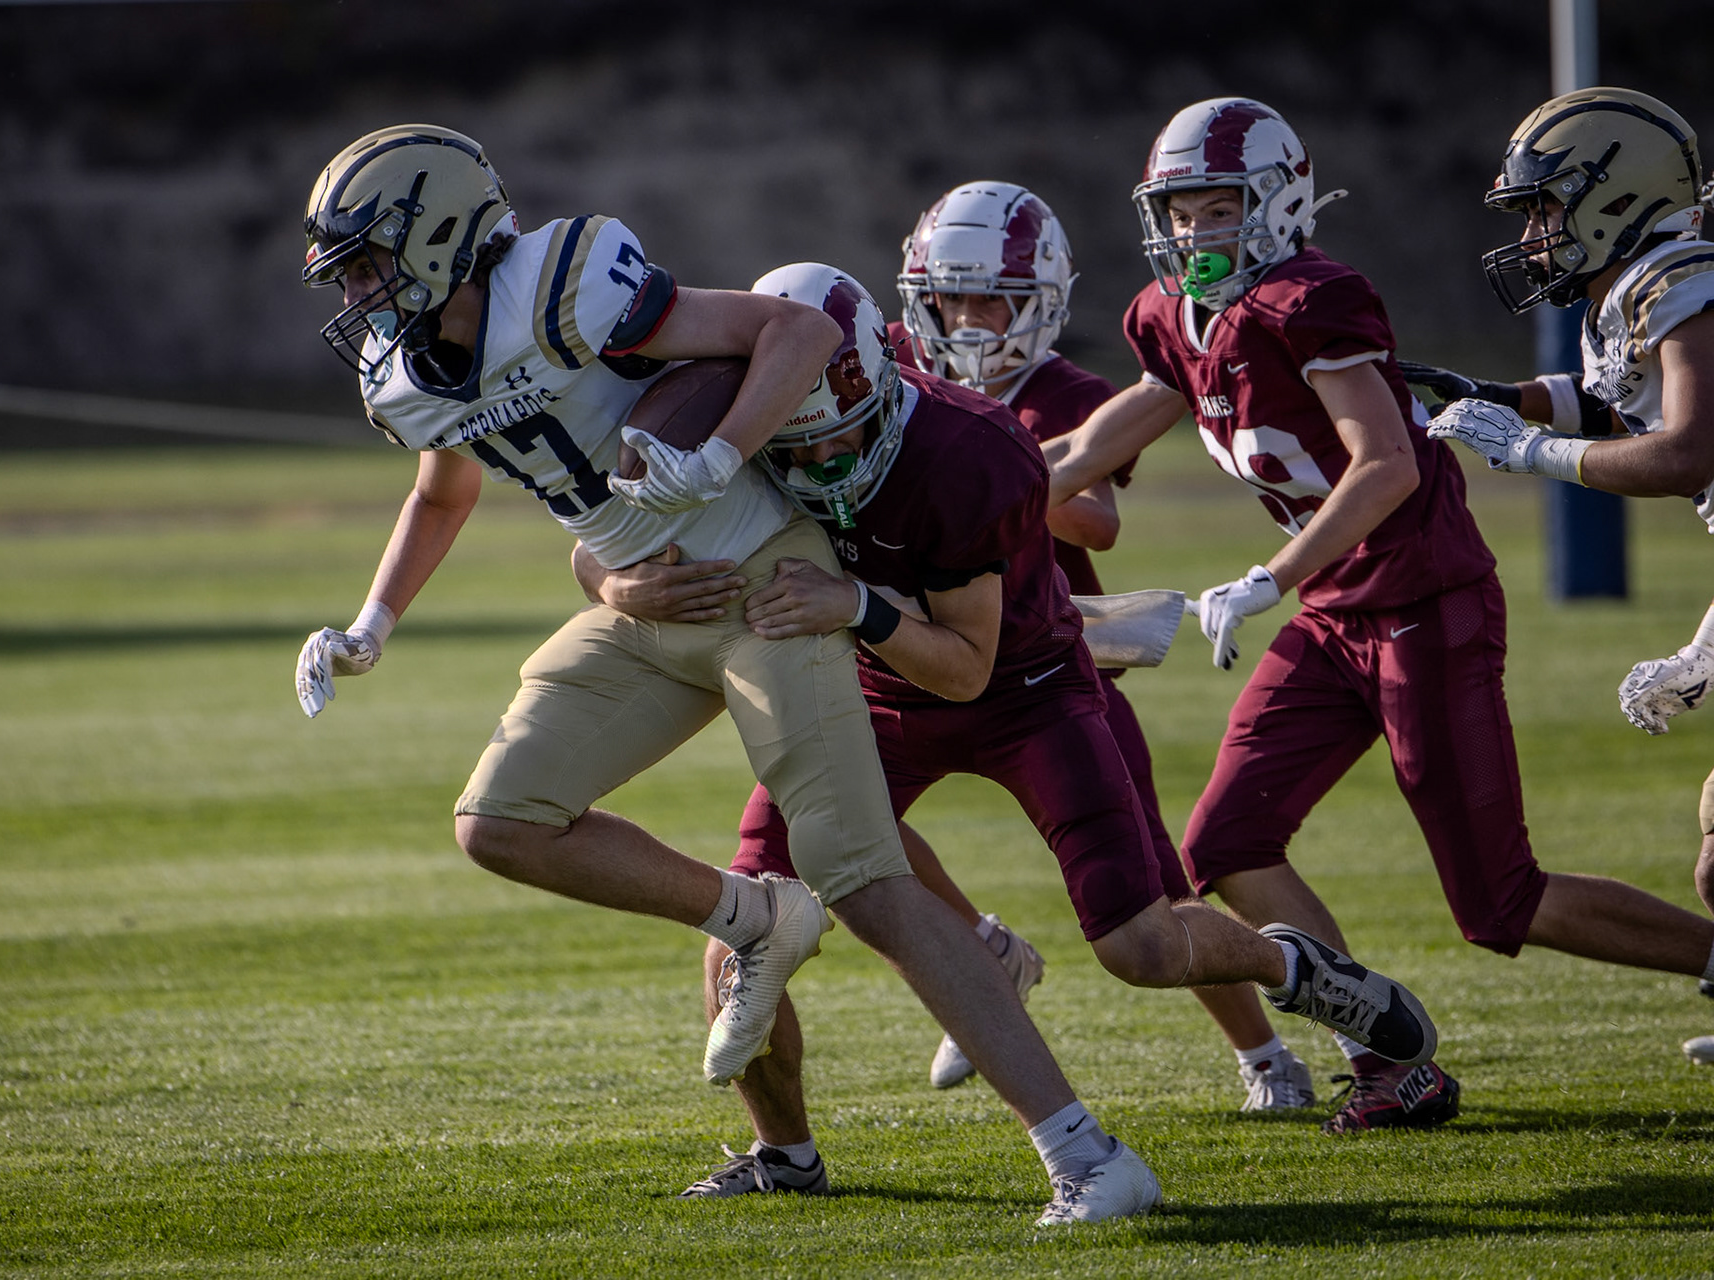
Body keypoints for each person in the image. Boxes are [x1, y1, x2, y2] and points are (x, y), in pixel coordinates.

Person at [293, 124, 1164, 1226]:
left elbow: (795, 330)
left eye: (370, 262)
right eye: (348, 271)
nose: (359, 293)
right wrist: (373, 622)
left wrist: (716, 456)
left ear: (441, 234)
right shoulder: (402, 376)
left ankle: (1089, 1155)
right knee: (499, 821)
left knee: (867, 879)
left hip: (762, 585)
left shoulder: (564, 281)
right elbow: (443, 487)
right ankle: (755, 921)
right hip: (648, 605)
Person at [577, 260, 1437, 1204]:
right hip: (866, 693)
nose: (822, 466)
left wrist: (854, 602)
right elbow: (597, 541)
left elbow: (964, 668)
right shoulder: (730, 426)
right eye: (795, 450)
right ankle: (785, 1157)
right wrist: (621, 584)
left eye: (836, 438)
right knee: (744, 926)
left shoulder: (968, 448)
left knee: (1141, 947)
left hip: (1022, 689)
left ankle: (1293, 964)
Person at [1044, 95, 1714, 1133]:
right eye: (1178, 211)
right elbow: (1108, 430)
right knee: (1228, 842)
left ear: (1278, 201)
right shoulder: (1170, 315)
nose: (1193, 231)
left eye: (1218, 207)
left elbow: (1388, 464)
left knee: (1497, 901)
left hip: (1422, 601)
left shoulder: (1310, 299)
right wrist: (987, 496)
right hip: (1334, 611)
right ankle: (1386, 1059)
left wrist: (1268, 577)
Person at [892, 179, 1317, 1109]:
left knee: (1153, 886)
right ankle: (984, 951)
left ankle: (1265, 1056)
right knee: (841, 821)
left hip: (1051, 671)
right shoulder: (896, 364)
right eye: (952, 298)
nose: (969, 319)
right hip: (917, 657)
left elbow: (1097, 523)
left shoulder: (1062, 393)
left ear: (1040, 300)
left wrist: (978, 466)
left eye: (993, 299)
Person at [1415, 87, 1714, 1067]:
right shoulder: (1633, 287)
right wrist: (1491, 396)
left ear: (1615, 196)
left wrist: (1530, 451)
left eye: (1545, 207)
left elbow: (1687, 449)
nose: (1533, 234)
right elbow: (1610, 403)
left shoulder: (1680, 277)